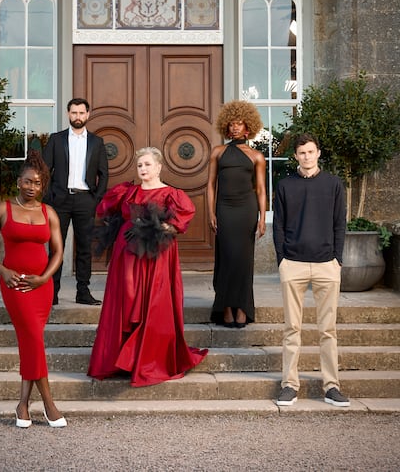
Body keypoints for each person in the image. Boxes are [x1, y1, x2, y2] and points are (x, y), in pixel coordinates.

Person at [87, 147, 208, 387]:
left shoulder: (171, 194)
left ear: (159, 167)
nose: (143, 169)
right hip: (127, 254)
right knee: (127, 299)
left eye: (148, 164)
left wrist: (158, 227)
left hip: (156, 254)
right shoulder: (128, 192)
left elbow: (178, 223)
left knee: (152, 302)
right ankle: (121, 359)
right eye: (140, 165)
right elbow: (106, 210)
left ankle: (147, 360)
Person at [0, 149, 67, 428]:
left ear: (43, 186)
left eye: (37, 183)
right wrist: (3, 271)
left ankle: (22, 405)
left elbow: (58, 252)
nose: (32, 187)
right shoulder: (2, 210)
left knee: (32, 341)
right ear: (19, 182)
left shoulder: (48, 213)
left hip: (42, 286)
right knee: (33, 339)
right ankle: (50, 405)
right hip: (15, 285)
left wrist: (44, 279)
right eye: (28, 181)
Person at [271, 133, 350, 407]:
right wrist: (281, 259)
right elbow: (278, 225)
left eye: (311, 151)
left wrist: (337, 258)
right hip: (293, 264)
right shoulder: (285, 185)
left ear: (318, 153)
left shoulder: (333, 184)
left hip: (327, 264)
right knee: (292, 328)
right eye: (302, 152)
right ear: (296, 156)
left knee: (328, 329)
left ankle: (331, 386)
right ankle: (289, 385)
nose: (307, 156)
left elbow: (340, 223)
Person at [42, 97, 109, 305]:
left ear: (88, 114)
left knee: (84, 248)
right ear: (68, 114)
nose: (77, 116)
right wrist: (49, 198)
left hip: (85, 200)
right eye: (74, 113)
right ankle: (52, 292)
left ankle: (83, 292)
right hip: (59, 201)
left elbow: (103, 174)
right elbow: (44, 171)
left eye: (81, 113)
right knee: (56, 247)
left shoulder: (97, 142)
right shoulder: (56, 139)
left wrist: (95, 199)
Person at [206, 100, 267, 328]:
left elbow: (260, 190)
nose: (235, 127)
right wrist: (211, 212)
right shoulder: (218, 152)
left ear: (248, 127)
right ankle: (225, 307)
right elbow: (210, 185)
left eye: (239, 123)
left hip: (246, 211)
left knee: (243, 260)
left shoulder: (256, 156)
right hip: (224, 210)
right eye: (231, 123)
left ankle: (242, 307)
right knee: (227, 258)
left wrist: (263, 218)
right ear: (226, 126)